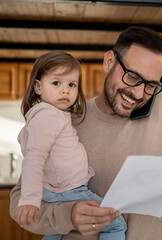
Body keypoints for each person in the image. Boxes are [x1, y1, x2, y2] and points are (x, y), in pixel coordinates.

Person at [10, 27, 162, 240]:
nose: (139, 93)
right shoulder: (67, 119)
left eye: (151, 84)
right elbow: (19, 200)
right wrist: (69, 216)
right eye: (132, 76)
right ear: (109, 62)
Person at [15, 51, 127, 240]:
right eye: (57, 83)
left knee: (57, 230)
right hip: (67, 190)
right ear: (38, 87)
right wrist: (30, 200)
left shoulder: (51, 115)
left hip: (61, 189)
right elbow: (34, 158)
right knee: (115, 223)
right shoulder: (47, 116)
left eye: (72, 84)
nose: (65, 90)